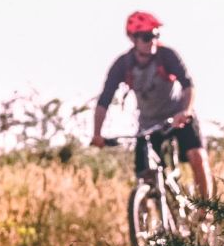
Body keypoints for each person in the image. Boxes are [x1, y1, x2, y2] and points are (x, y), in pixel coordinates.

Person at [91, 11, 212, 200]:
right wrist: (97, 134)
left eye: (156, 35)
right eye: (147, 37)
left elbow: (188, 85)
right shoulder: (123, 64)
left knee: (197, 157)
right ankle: (147, 219)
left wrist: (186, 111)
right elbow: (103, 101)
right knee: (145, 175)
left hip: (177, 116)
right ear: (133, 39)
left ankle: (207, 209)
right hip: (148, 123)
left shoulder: (167, 56)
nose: (152, 41)